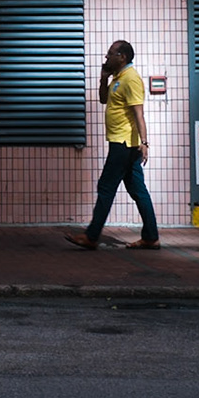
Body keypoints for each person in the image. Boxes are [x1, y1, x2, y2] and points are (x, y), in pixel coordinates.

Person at [64, 40, 160, 250]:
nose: (106, 57)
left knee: (106, 187)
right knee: (137, 190)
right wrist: (103, 79)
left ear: (122, 57)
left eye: (110, 54)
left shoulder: (131, 79)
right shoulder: (119, 77)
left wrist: (144, 142)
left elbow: (139, 114)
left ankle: (91, 236)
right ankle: (151, 237)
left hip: (123, 144)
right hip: (122, 142)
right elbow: (103, 99)